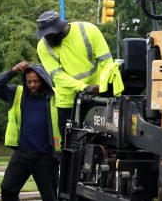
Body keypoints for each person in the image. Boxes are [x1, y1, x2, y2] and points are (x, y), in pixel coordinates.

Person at [0, 62, 61, 201]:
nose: (31, 85)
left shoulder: (54, 96)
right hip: (23, 152)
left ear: (43, 81)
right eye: (28, 81)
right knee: (7, 188)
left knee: (49, 198)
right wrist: (12, 71)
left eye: (35, 81)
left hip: (46, 154)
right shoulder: (18, 93)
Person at [33, 11, 123, 139]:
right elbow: (58, 76)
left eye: (49, 34)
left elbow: (106, 64)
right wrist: (84, 87)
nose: (46, 38)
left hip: (97, 95)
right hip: (68, 99)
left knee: (101, 139)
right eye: (44, 35)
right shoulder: (43, 46)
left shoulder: (89, 30)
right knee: (69, 142)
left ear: (60, 28)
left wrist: (102, 88)